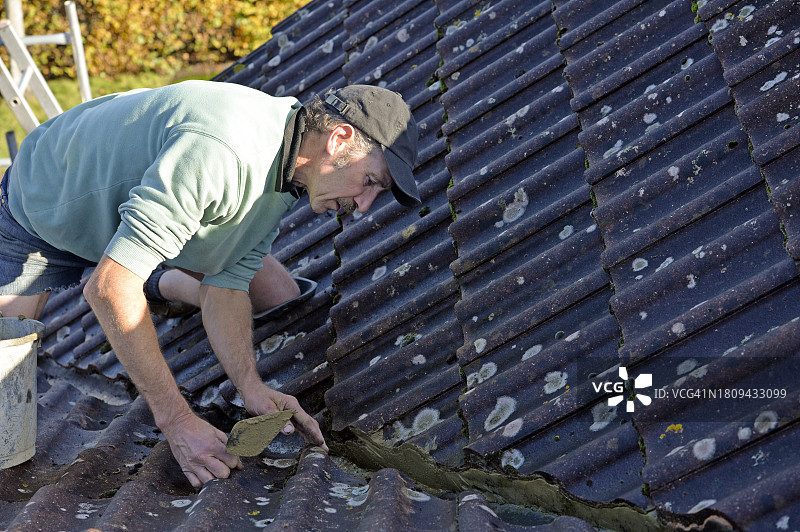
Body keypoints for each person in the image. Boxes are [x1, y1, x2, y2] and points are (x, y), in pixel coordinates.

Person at [0, 80, 419, 487]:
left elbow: (228, 285)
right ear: (339, 138)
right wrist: (178, 421)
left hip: (121, 212)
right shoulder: (222, 152)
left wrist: (250, 387)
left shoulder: (293, 168)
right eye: (369, 183)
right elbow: (108, 290)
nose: (363, 208)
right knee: (6, 398)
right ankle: (141, 271)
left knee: (271, 291)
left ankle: (148, 274)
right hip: (44, 202)